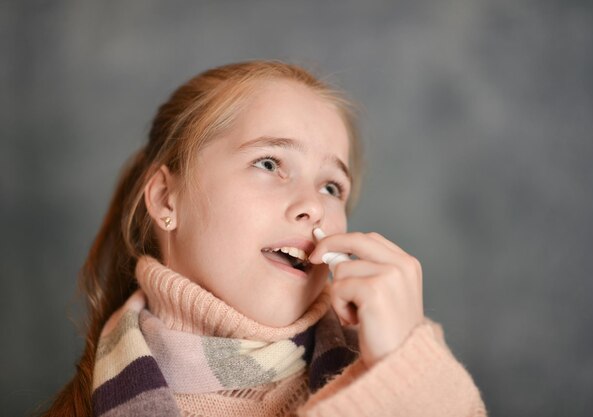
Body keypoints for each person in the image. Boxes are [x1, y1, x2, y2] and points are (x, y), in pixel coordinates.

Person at [42, 61, 487, 417]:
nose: (313, 205)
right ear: (165, 200)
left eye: (332, 187)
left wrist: (404, 373)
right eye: (270, 163)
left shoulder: (417, 375)